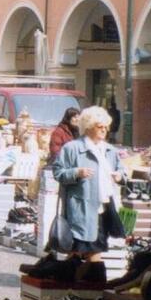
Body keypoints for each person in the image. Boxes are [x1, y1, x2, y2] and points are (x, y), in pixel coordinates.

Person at [52, 106, 125, 264]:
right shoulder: (72, 148)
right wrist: (76, 173)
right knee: (78, 251)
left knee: (93, 250)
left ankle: (88, 284)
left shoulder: (110, 150)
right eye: (100, 126)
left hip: (104, 207)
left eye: (106, 126)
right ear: (88, 126)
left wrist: (120, 176)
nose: (104, 130)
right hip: (81, 210)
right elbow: (58, 173)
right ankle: (79, 283)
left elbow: (121, 170)